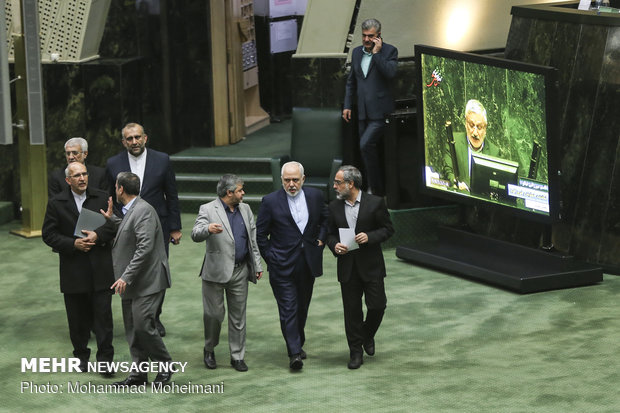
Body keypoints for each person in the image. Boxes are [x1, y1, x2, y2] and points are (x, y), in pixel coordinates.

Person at [105, 122, 182, 337]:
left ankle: (153, 317)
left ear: (145, 138)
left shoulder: (162, 159)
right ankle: (133, 316)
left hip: (159, 227)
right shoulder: (113, 163)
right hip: (125, 227)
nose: (134, 142)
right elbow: (108, 196)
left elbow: (172, 194)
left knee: (156, 271)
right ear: (123, 142)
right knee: (130, 267)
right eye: (129, 139)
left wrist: (175, 228)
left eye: (137, 137)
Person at [42, 162, 115, 376]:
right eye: (77, 175)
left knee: (104, 320)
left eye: (84, 174)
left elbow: (114, 226)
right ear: (68, 180)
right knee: (77, 321)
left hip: (100, 270)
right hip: (73, 270)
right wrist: (72, 244)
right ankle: (81, 358)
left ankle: (105, 362)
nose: (82, 178)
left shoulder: (102, 197)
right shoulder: (56, 203)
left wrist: (98, 235)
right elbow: (48, 234)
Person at [103, 172, 174, 386]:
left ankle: (165, 365)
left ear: (120, 189)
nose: (115, 189)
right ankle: (138, 374)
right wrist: (112, 219)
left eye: (116, 186)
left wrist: (126, 276)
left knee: (143, 326)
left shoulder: (143, 210)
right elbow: (129, 230)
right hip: (133, 282)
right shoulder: (134, 209)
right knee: (133, 329)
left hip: (147, 280)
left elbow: (144, 248)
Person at [256, 161, 329, 370]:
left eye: (295, 180)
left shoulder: (315, 196)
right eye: (287, 180)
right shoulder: (269, 201)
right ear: (281, 180)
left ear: (303, 179)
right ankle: (294, 353)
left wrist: (321, 239)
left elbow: (325, 219)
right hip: (281, 266)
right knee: (288, 307)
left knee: (302, 307)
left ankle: (297, 340)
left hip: (307, 263)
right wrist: (271, 257)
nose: (291, 184)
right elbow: (261, 234)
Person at [191, 174, 263, 372]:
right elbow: (195, 234)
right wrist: (207, 228)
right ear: (229, 192)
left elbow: (252, 240)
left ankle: (237, 356)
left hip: (240, 270)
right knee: (213, 315)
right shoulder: (207, 209)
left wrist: (256, 265)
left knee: (238, 316)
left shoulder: (246, 209)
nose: (243, 193)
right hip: (215, 272)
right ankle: (209, 348)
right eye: (240, 190)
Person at [327, 165, 394, 369]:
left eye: (338, 183)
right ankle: (355, 352)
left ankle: (367, 335)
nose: (334, 186)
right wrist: (334, 245)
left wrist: (370, 237)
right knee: (352, 312)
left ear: (351, 184)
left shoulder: (375, 203)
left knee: (377, 305)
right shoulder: (333, 207)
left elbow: (388, 229)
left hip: (371, 265)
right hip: (347, 267)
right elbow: (329, 234)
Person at [342, 18, 398, 197]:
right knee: (365, 150)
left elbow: (390, 73)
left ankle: (375, 190)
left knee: (366, 145)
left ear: (378, 36)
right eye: (364, 36)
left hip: (380, 112)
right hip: (362, 112)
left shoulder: (390, 51)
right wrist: (347, 105)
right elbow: (351, 82)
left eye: (371, 36)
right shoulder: (357, 53)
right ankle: (371, 187)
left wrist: (377, 53)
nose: (366, 39)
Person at [444, 99, 500, 192]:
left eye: (479, 127)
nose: (475, 132)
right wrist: (456, 182)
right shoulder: (453, 141)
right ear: (466, 124)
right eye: (471, 125)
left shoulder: (494, 152)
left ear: (485, 128)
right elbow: (448, 170)